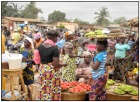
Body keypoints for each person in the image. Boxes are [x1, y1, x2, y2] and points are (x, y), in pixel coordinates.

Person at [33, 30, 67, 100]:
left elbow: (37, 60)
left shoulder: (40, 46)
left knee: (44, 88)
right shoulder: (55, 49)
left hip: (42, 69)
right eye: (57, 38)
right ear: (54, 38)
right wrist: (64, 64)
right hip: (51, 72)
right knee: (53, 88)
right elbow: (56, 64)